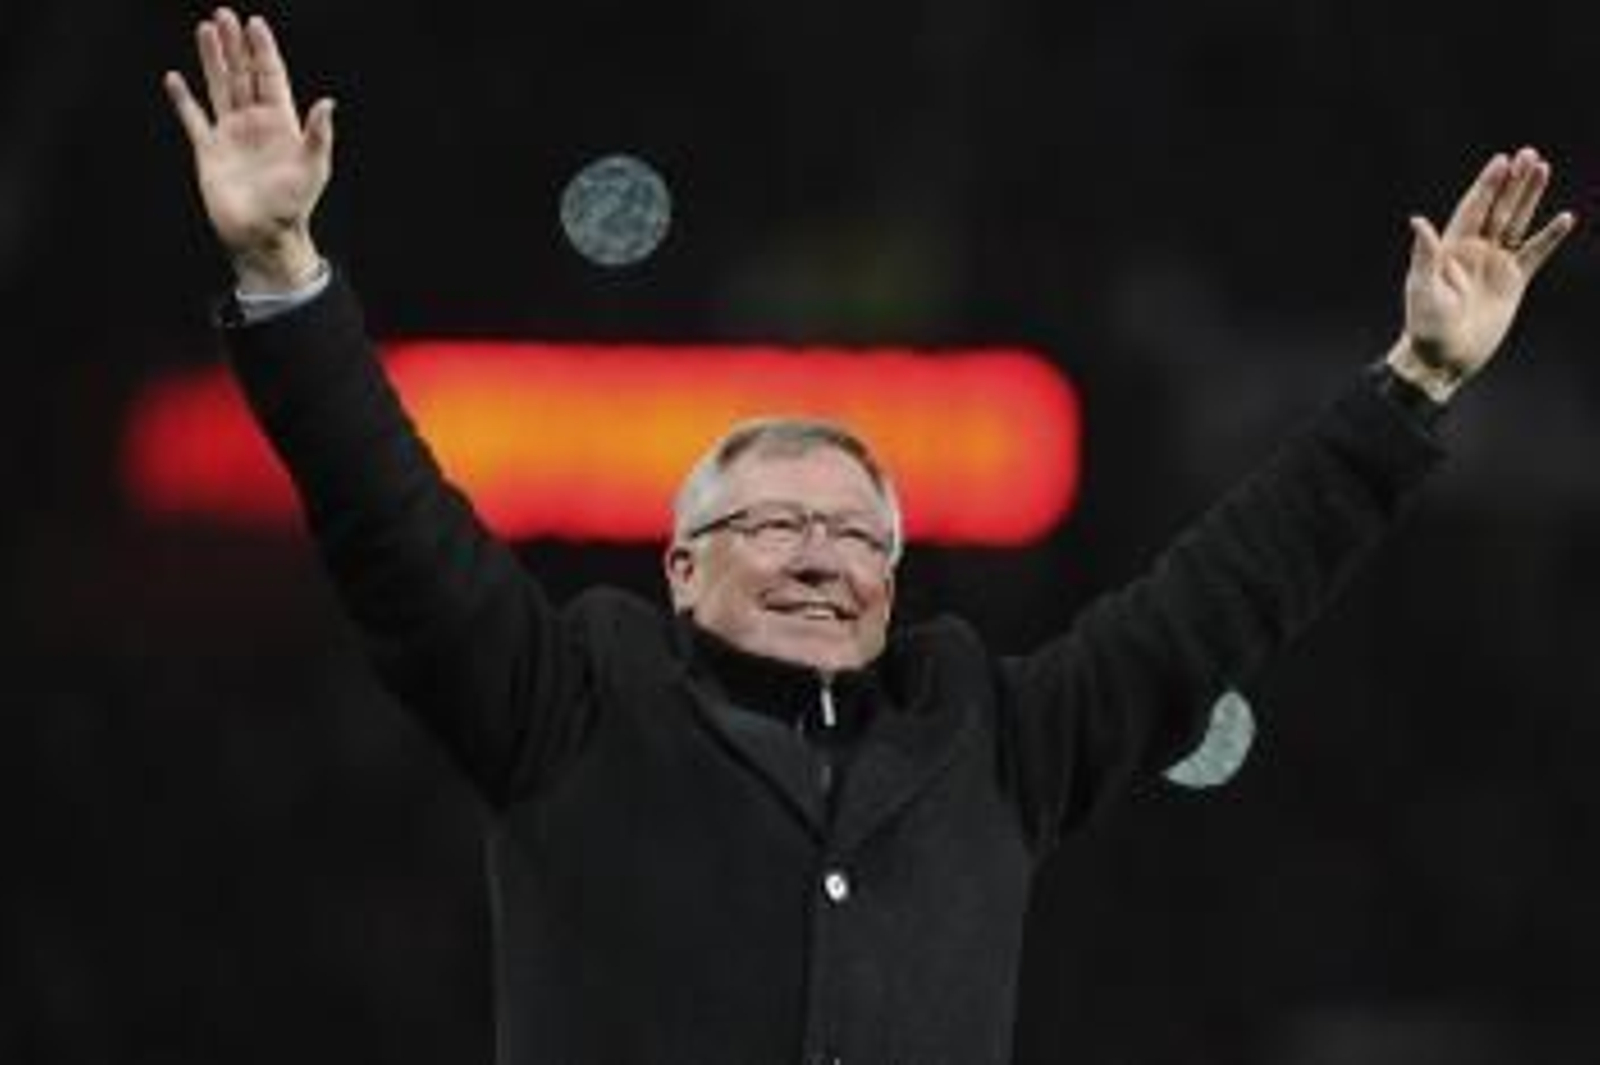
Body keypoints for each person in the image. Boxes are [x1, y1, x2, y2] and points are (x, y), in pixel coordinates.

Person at [164, 9, 1575, 1065]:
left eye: (855, 534)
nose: (820, 553)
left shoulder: (987, 734)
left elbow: (1218, 598)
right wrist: (286, 274)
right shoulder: (570, 704)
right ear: (680, 565)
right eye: (773, 521)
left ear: (894, 586)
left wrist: (1416, 387)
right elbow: (389, 524)